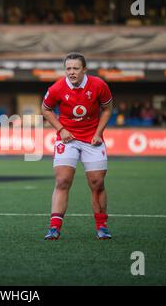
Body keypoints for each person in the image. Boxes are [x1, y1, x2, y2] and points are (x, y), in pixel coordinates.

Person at [41, 52, 113, 240]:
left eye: (75, 68)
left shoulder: (99, 85)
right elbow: (45, 108)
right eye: (68, 68)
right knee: (62, 180)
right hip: (68, 139)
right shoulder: (57, 87)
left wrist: (98, 133)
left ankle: (102, 226)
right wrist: (61, 129)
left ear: (84, 69)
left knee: (97, 183)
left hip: (92, 139)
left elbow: (107, 109)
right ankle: (54, 227)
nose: (71, 72)